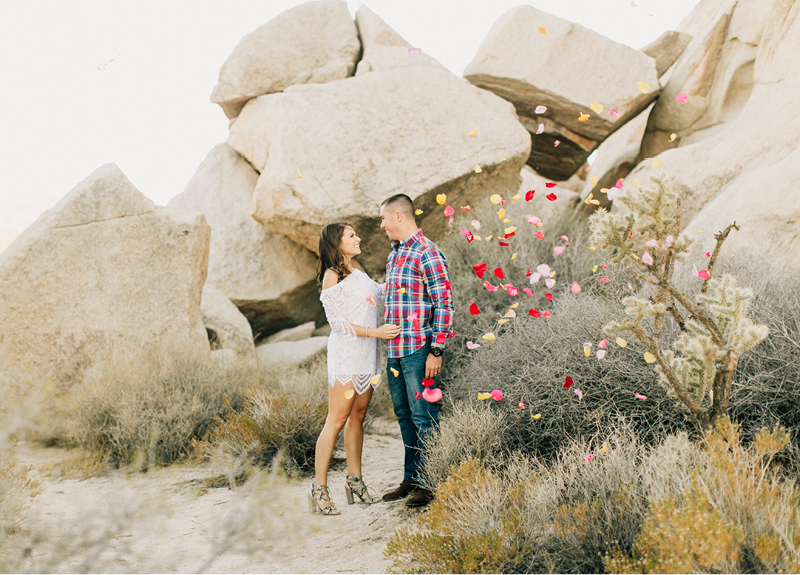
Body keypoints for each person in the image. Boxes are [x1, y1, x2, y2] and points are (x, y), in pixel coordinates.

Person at [310, 221, 401, 515]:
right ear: (337, 243)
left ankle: (355, 482)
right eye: (351, 236)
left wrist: (403, 279)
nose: (358, 238)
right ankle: (319, 490)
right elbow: (337, 325)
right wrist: (377, 333)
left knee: (358, 416)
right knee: (336, 420)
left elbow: (380, 293)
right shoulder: (331, 276)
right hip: (347, 356)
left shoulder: (357, 272)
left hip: (366, 354)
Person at [379, 194, 454, 508]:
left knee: (425, 417)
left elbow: (444, 304)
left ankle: (430, 482)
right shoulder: (394, 255)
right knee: (404, 416)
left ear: (399, 216)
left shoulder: (427, 252)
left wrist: (436, 350)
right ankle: (411, 478)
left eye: (384, 218)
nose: (381, 225)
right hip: (394, 351)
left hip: (418, 351)